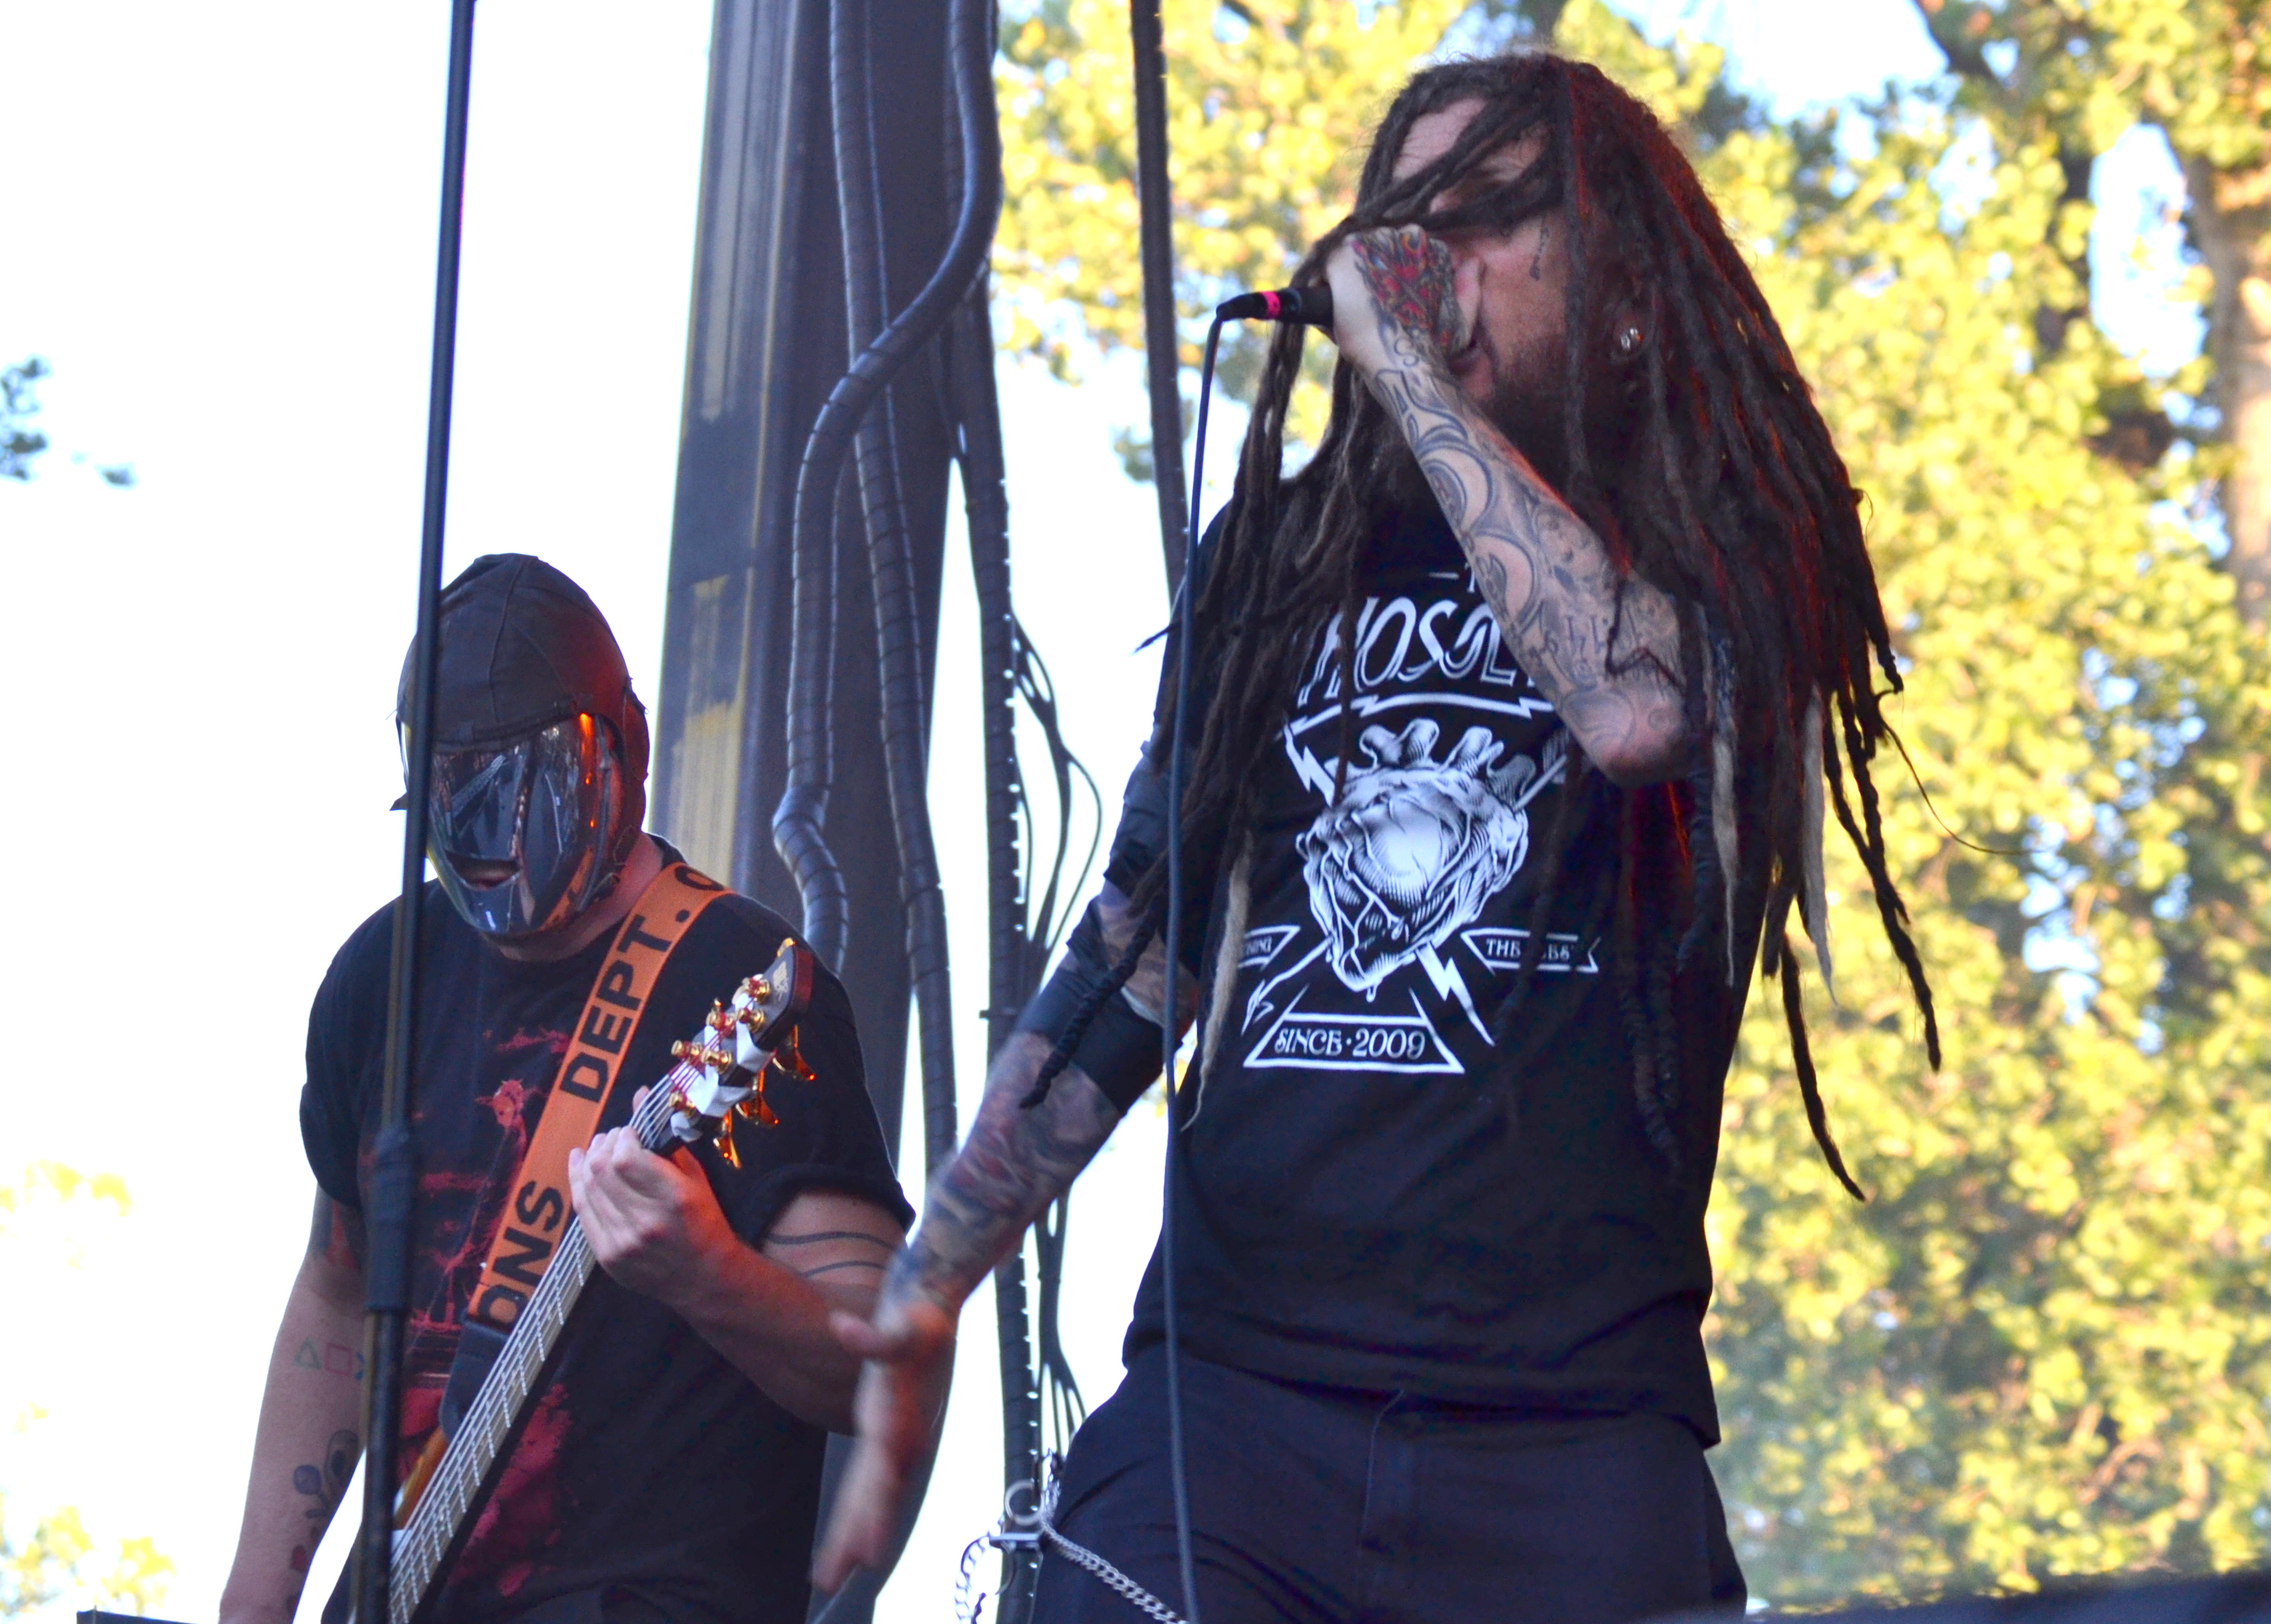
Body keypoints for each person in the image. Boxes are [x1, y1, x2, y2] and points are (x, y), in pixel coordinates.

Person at [818, 48, 1937, 1624]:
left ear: (1625, 287)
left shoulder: (1732, 545)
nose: (1418, 261)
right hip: (1235, 1413)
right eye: (1399, 222)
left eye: (1483, 217)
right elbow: (1141, 947)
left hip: (1563, 1444)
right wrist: (931, 1277)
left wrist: (1411, 377)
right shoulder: (1282, 556)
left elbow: (1631, 711)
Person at [218, 554, 913, 1624]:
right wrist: (254, 1603)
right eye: (450, 800)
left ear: (622, 750)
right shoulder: (385, 976)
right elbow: (338, 1293)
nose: (485, 848)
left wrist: (710, 1276)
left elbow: (878, 1370)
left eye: (515, 794)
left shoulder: (749, 987)